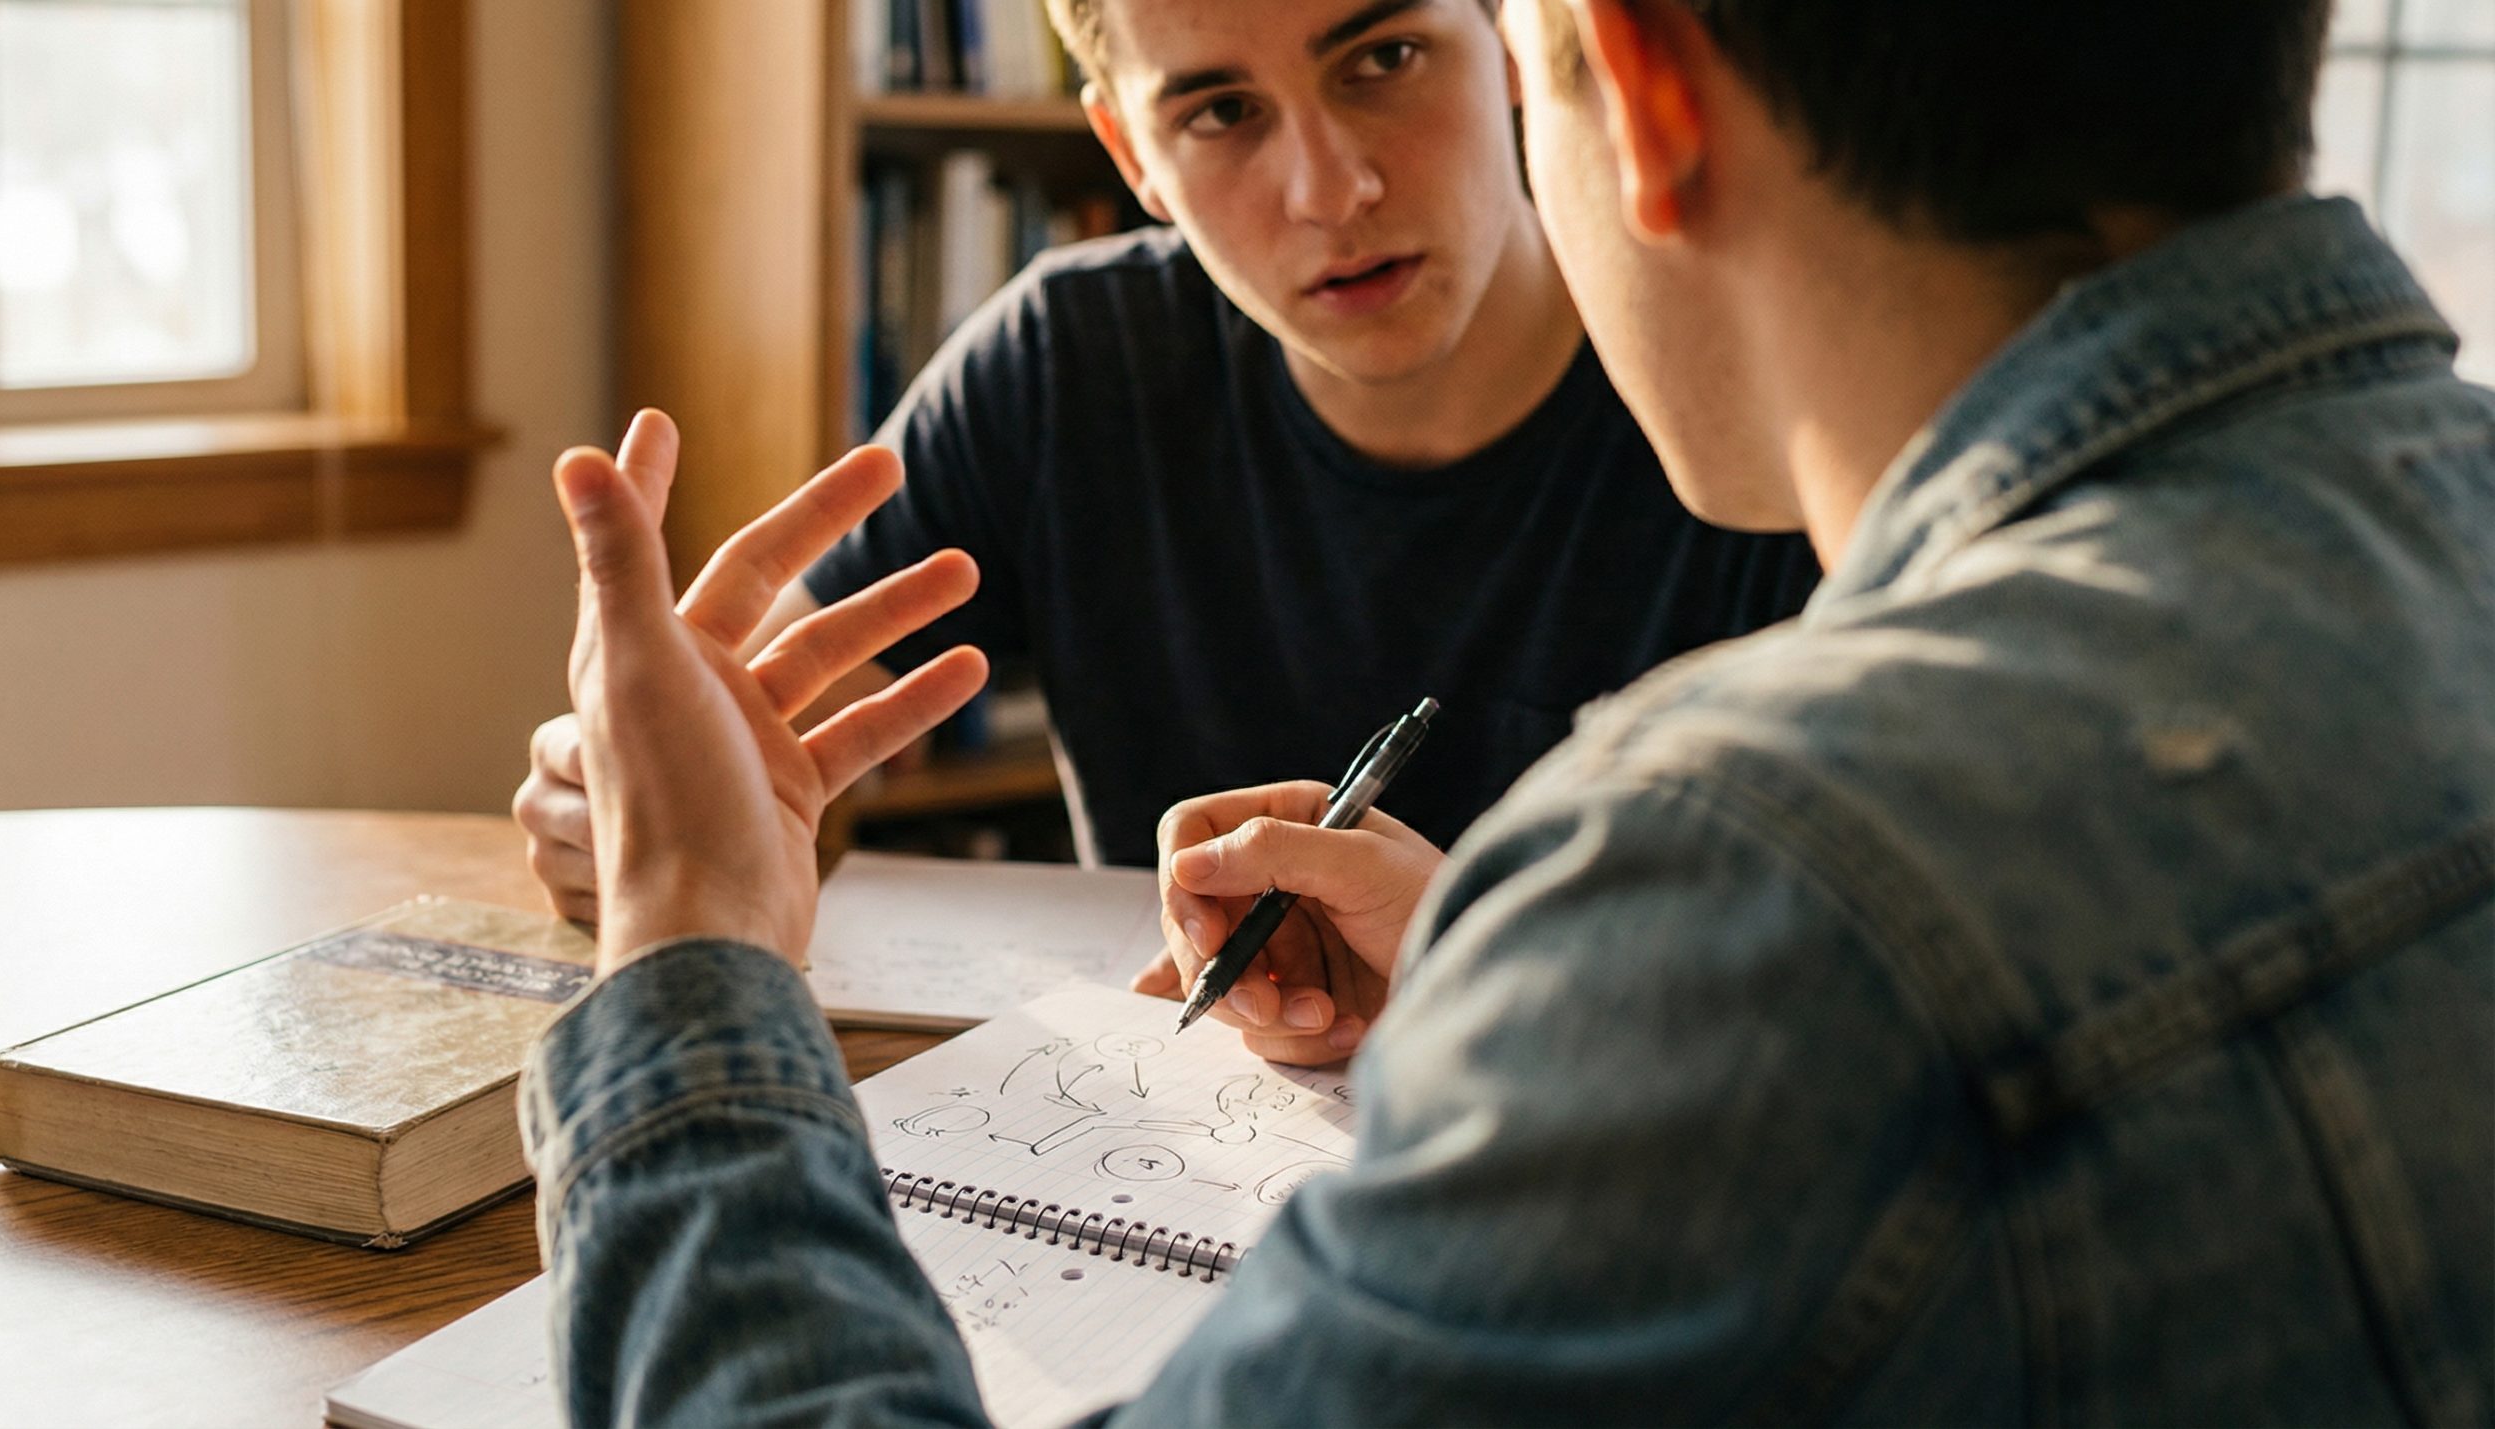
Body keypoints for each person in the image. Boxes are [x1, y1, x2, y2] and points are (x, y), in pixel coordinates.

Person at [522, 0, 2495, 1421]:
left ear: (1623, 81)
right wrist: (1498, 957)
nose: (1331, 183)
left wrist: (691, 945)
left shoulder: (1768, 893)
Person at [510, 0, 1819, 915]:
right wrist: (636, 802)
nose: (1327, 190)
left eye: (1385, 57)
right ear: (1133, 154)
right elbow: (737, 727)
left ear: (1517, 37)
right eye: (1222, 113)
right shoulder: (1073, 360)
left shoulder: (1746, 387)